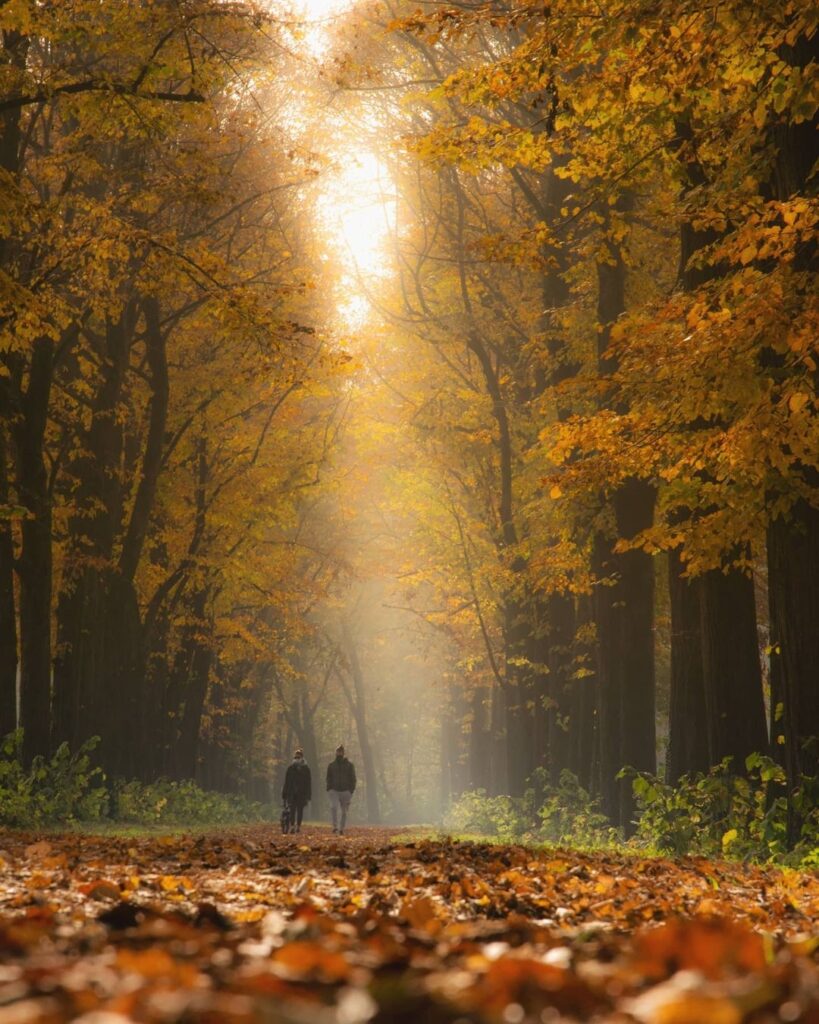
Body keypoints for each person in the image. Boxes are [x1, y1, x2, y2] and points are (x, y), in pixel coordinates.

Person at [326, 744, 356, 835]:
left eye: (341, 751)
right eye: (338, 751)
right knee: (333, 807)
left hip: (345, 791)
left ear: (343, 753)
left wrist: (350, 791)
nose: (339, 753)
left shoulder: (349, 765)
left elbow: (353, 778)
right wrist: (329, 788)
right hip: (334, 790)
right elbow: (328, 777)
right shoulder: (331, 765)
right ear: (336, 753)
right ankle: (335, 827)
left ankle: (341, 828)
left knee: (344, 811)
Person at [281, 748, 311, 834]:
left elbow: (308, 783)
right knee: (292, 809)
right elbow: (286, 781)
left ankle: (298, 826)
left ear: (302, 757)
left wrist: (308, 795)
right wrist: (284, 793)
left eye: (299, 757)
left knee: (300, 810)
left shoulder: (306, 769)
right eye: (296, 757)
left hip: (302, 793)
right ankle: (292, 826)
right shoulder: (290, 768)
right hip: (291, 792)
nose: (297, 759)